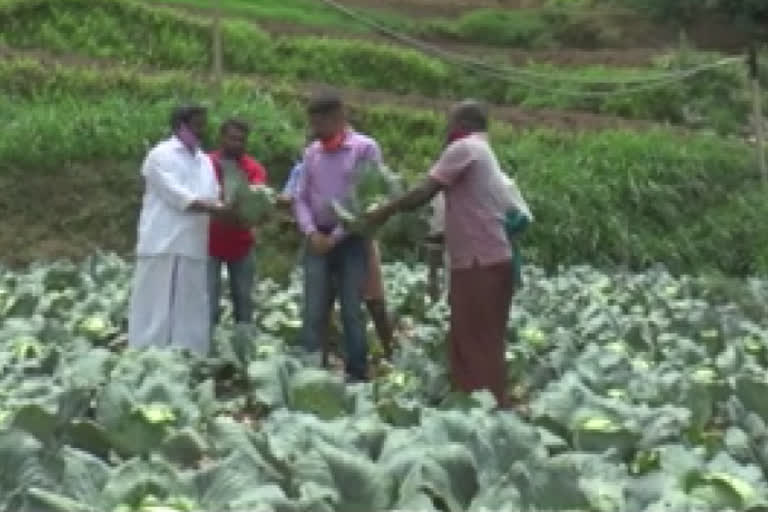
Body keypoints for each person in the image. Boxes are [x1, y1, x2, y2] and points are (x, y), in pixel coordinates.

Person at [365, 99, 531, 407]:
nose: (447, 127)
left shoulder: (464, 149)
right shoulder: (483, 150)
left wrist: (382, 212)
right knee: (483, 338)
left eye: (450, 121)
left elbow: (422, 193)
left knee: (473, 339)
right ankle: (483, 404)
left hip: (479, 260)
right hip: (490, 257)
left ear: (463, 124)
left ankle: (483, 407)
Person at [293, 90, 389, 382]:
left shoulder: (364, 149)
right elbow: (300, 197)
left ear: (338, 118)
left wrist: (334, 236)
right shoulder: (312, 152)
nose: (316, 131)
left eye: (321, 123)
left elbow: (364, 199)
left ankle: (357, 374)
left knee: (351, 309)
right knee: (314, 310)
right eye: (313, 124)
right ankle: (309, 373)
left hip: (351, 240)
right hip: (315, 239)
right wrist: (311, 232)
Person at [128, 105, 231, 355]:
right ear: (179, 126)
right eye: (196, 125)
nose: (201, 131)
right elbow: (177, 195)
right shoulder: (159, 155)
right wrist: (215, 207)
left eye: (204, 125)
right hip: (162, 241)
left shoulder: (204, 160)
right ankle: (146, 356)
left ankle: (189, 357)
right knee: (154, 305)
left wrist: (229, 207)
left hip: (193, 243)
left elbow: (213, 194)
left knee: (190, 307)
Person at [208, 119, 267, 331]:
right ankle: (208, 351)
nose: (236, 143)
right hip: (208, 244)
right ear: (221, 138)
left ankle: (244, 348)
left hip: (241, 244)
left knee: (244, 300)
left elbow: (257, 203)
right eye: (232, 138)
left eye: (241, 140)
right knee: (208, 303)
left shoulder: (253, 169)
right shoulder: (206, 163)